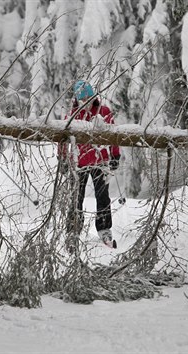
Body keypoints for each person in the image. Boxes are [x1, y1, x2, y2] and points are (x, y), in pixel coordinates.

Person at [59, 80, 121, 249]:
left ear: (93, 96)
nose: (86, 101)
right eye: (82, 98)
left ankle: (104, 229)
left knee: (102, 196)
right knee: (75, 197)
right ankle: (73, 230)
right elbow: (62, 139)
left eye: (88, 97)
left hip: (99, 160)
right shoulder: (72, 115)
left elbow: (113, 134)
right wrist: (62, 158)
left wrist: (115, 154)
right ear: (77, 99)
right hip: (77, 162)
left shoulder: (103, 112)